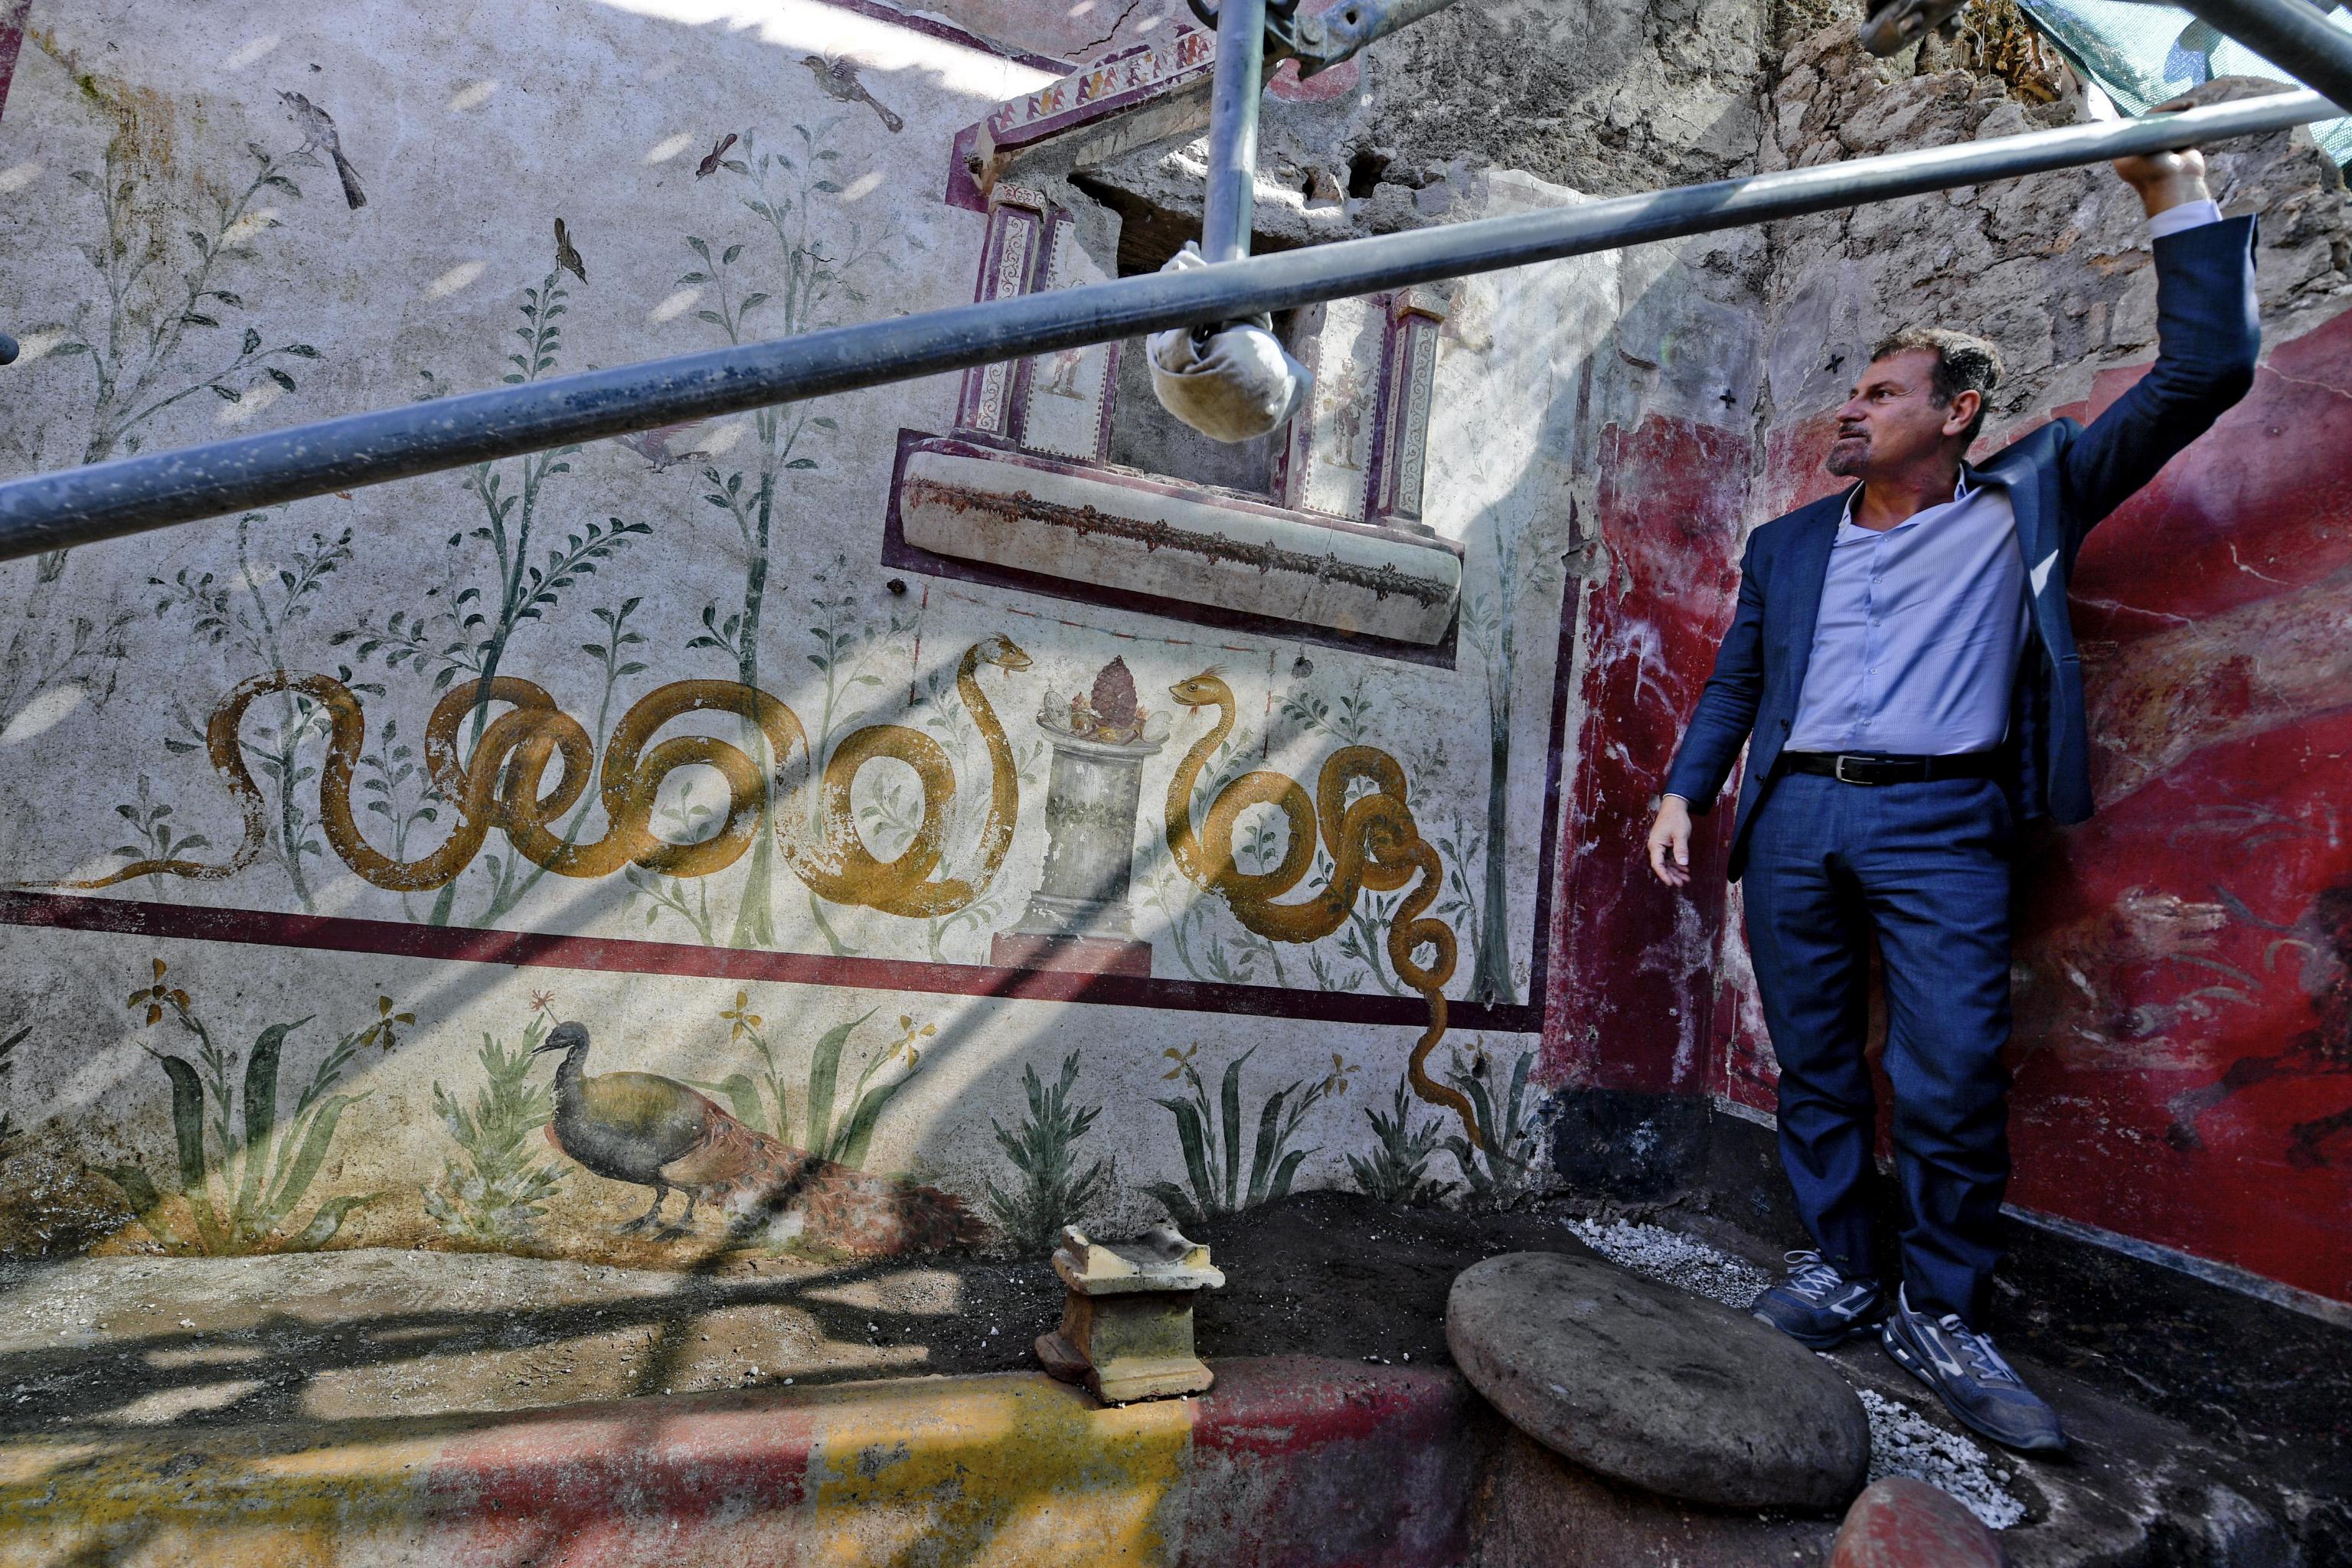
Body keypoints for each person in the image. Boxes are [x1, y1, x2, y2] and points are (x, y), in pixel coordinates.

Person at [1645, 126, 2259, 1453]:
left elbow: (2210, 368)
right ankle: (1846, 1267)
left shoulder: (2031, 498)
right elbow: (1737, 682)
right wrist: (1687, 792)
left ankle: (1942, 1306)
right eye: (1850, 392)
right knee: (1815, 1063)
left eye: (1880, 392)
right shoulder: (1788, 542)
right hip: (1796, 816)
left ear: (1957, 412)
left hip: (1943, 824)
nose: (1849, 408)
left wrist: (2179, 195)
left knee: (1950, 1073)